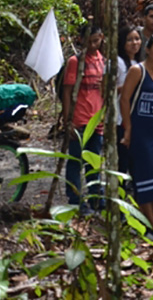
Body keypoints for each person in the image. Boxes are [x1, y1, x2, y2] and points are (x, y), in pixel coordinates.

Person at [120, 33, 153, 235]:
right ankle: (151, 226)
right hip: (140, 133)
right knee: (143, 177)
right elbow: (124, 100)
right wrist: (128, 129)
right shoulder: (136, 70)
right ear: (148, 48)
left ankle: (146, 219)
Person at [61, 24, 106, 209]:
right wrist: (67, 119)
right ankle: (76, 198)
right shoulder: (75, 61)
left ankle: (96, 197)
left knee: (93, 161)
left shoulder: (102, 60)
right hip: (79, 118)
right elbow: (67, 91)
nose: (93, 45)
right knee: (75, 161)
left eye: (96, 40)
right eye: (90, 41)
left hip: (97, 119)